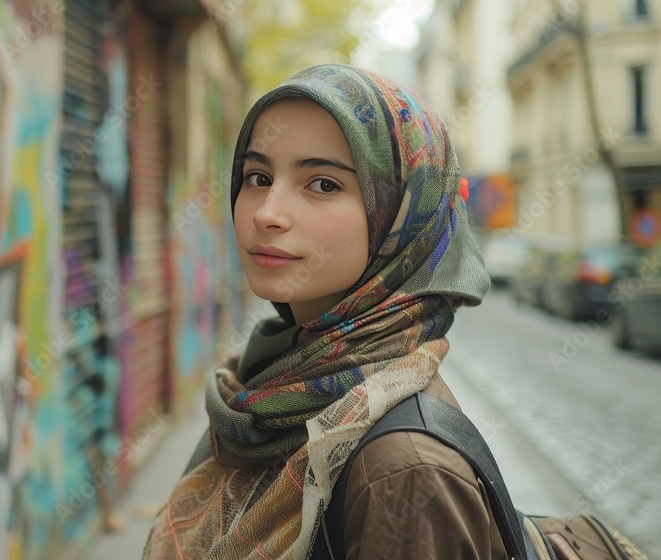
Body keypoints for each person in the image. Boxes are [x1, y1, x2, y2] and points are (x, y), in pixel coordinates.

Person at [143, 63, 503, 559]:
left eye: (324, 184)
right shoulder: (263, 384)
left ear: (402, 218)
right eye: (258, 177)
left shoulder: (403, 471)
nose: (267, 213)